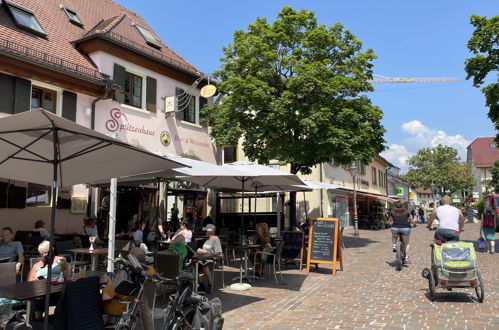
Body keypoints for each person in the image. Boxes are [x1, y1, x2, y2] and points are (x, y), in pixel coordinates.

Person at [102, 247, 155, 325]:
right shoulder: (151, 271)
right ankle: (111, 321)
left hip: (121, 308)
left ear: (131, 260)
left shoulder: (125, 274)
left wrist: (109, 282)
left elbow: (105, 297)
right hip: (141, 306)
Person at [28, 240, 70, 318]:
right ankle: (38, 321)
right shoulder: (37, 265)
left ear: (52, 250)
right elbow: (30, 282)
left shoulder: (61, 260)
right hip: (42, 291)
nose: (44, 255)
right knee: (38, 298)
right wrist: (36, 279)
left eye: (46, 252)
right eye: (41, 254)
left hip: (57, 291)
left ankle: (57, 319)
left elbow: (66, 274)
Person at [193, 224, 222, 293]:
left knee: (205, 267)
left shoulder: (215, 239)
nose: (205, 233)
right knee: (194, 265)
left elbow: (218, 252)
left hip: (211, 259)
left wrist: (206, 252)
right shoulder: (207, 240)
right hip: (202, 258)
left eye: (206, 231)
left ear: (209, 232)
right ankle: (201, 284)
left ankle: (210, 284)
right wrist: (200, 250)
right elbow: (203, 250)